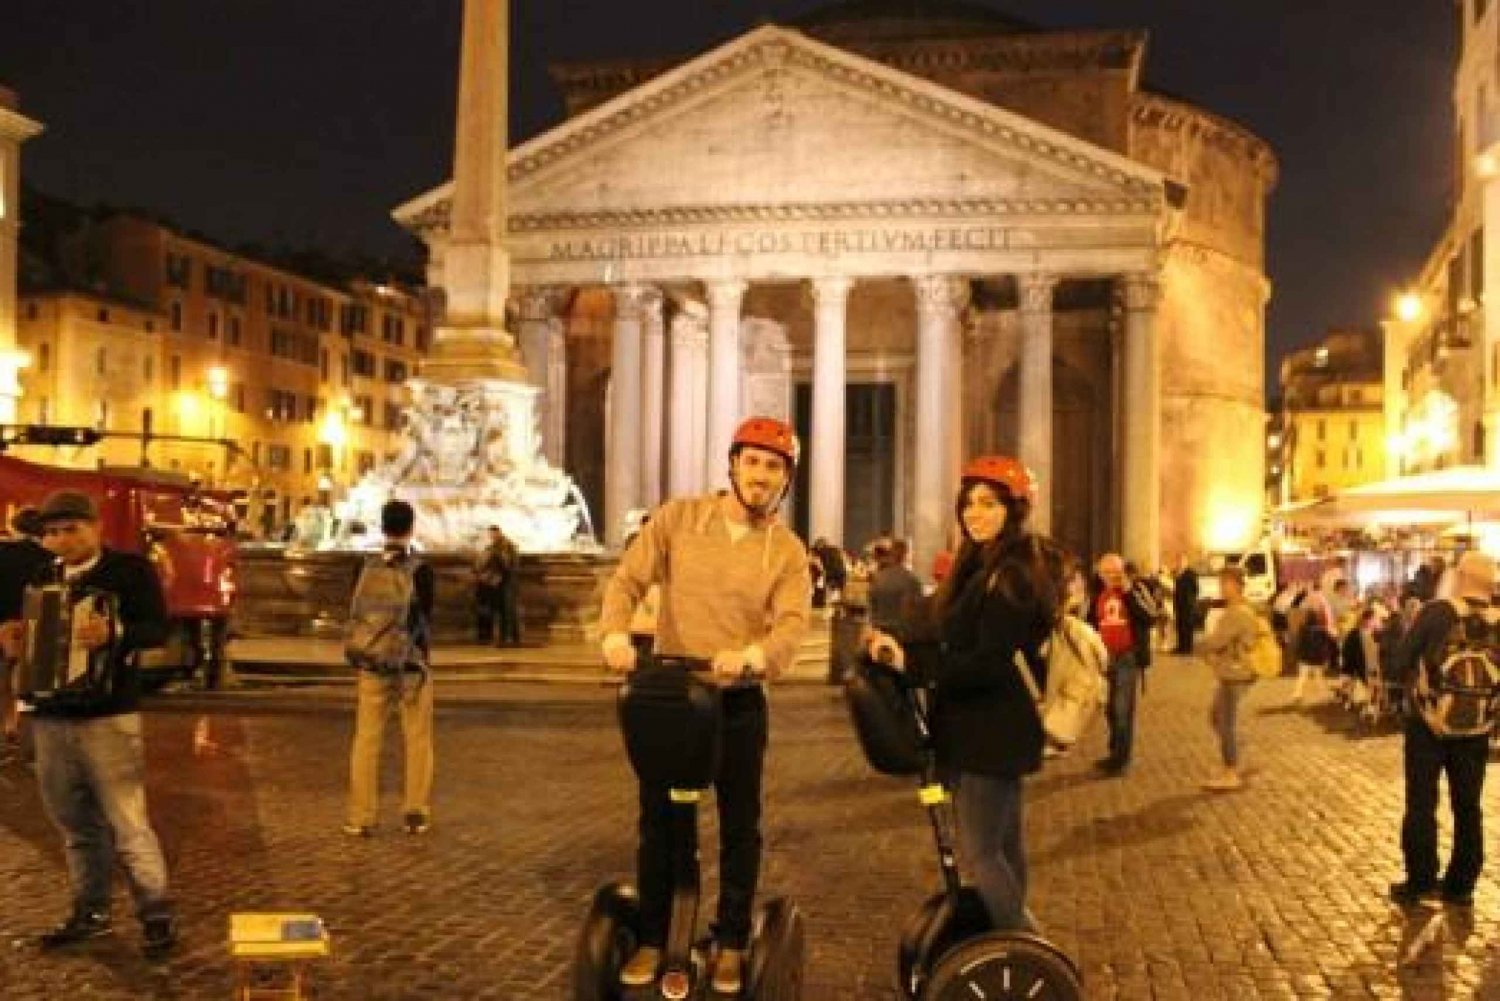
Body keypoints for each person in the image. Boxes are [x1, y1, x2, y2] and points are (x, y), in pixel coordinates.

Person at [599, 416, 811, 994]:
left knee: (741, 824)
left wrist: (755, 656)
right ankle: (652, 935)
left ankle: (734, 940)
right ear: (733, 465)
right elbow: (626, 580)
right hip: (673, 696)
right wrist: (616, 634)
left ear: (786, 479)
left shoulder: (788, 552)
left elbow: (792, 629)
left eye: (773, 467)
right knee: (662, 822)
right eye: (752, 461)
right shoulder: (679, 518)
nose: (761, 475)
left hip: (737, 702)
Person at [866, 455, 1065, 933]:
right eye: (969, 504)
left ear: (1013, 511)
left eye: (989, 504)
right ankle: (1016, 945)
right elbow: (938, 623)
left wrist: (909, 665)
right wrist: (893, 636)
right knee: (1006, 846)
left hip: (989, 732)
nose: (975, 513)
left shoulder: (1012, 574)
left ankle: (1025, 950)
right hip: (988, 728)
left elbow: (985, 662)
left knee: (980, 853)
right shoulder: (981, 564)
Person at [0, 491, 176, 956]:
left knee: (128, 822)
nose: (62, 540)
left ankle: (156, 915)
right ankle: (90, 912)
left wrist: (113, 633)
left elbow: (158, 628)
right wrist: (14, 641)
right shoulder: (42, 577)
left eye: (71, 529)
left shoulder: (129, 571)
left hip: (108, 714)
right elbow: (31, 637)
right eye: (53, 533)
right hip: (52, 715)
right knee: (74, 824)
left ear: (95, 527)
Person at [1390, 551, 1499, 909]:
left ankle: (1420, 880)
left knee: (1422, 802)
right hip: (1477, 728)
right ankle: (1461, 885)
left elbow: (1400, 661)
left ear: (1462, 576)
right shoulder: (1497, 620)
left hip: (1429, 724)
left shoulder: (1437, 612)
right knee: (1468, 807)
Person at [344, 500, 436, 837]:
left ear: (383, 528)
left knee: (367, 739)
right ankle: (415, 812)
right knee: (417, 739)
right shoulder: (421, 570)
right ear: (411, 528)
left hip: (373, 662)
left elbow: (356, 611)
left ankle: (361, 816)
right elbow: (426, 615)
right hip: (411, 665)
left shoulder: (364, 566)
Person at [1087, 553, 1157, 776]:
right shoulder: (1098, 594)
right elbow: (1091, 624)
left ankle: (1121, 760)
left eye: (1115, 572)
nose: (1111, 577)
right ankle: (1115, 752)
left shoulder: (1135, 590)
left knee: (1122, 708)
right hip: (1106, 657)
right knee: (1109, 709)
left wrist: (1127, 592)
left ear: (1123, 571)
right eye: (1106, 573)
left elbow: (1150, 616)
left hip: (1128, 656)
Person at [1196, 565, 1258, 791]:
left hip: (1235, 673)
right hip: (1232, 671)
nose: (1221, 588)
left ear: (1237, 585)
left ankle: (1231, 770)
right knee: (1216, 717)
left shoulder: (1238, 612)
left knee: (1224, 721)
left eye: (1225, 583)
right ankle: (1238, 758)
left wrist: (1199, 647)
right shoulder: (1239, 609)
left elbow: (1217, 641)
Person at [0, 506, 54, 760]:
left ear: (15, 526)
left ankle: (6, 731)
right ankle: (27, 743)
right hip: (33, 627)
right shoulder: (50, 558)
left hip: (2, 627)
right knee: (29, 684)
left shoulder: (2, 551)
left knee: (3, 684)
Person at [868, 537, 924, 641]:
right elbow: (918, 611)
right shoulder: (911, 580)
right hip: (902, 635)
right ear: (905, 555)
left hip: (880, 633)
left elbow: (872, 606)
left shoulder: (877, 578)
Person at [1291, 578, 1336, 705]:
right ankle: (1322, 695)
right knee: (1318, 674)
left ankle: (1297, 694)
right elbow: (1328, 624)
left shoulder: (1304, 626)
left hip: (1305, 654)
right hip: (1316, 654)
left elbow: (1296, 610)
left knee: (1304, 674)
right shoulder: (1323, 601)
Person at [473, 525, 511, 645]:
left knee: (497, 611)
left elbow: (506, 565)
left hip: (496, 584)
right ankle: (487, 636)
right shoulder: (491, 548)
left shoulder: (503, 547)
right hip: (488, 583)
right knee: (487, 610)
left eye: (494, 534)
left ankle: (497, 637)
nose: (492, 536)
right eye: (491, 534)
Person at [1172, 555, 1200, 654]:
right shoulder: (1178, 573)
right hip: (1179, 605)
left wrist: (1191, 600)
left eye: (1181, 561)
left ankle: (1187, 648)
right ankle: (1181, 646)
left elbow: (1196, 589)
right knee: (1180, 626)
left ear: (1186, 562)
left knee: (1187, 627)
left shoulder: (1191, 574)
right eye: (1178, 561)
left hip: (1188, 605)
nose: (1179, 563)